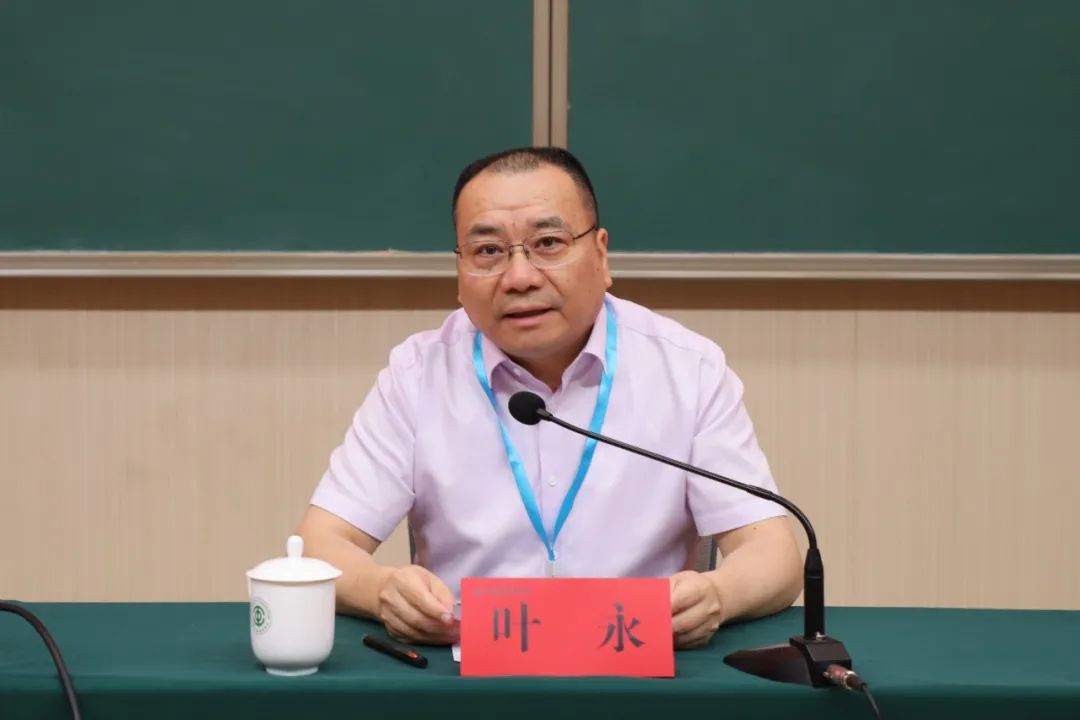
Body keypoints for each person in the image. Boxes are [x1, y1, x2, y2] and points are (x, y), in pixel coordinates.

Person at [297, 147, 802, 649]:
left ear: (601, 255)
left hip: (639, 668)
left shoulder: (687, 369)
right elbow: (320, 545)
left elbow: (774, 556)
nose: (519, 278)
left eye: (548, 243)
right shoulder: (418, 374)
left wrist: (717, 595)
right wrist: (383, 590)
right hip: (467, 673)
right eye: (488, 252)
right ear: (459, 272)